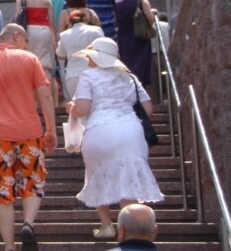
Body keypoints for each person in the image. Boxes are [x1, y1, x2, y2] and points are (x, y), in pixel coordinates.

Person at [0, 23, 57, 251]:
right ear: (16, 36)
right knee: (33, 180)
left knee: (2, 190)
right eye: (26, 40)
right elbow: (45, 95)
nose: (27, 45)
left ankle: (9, 246)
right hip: (30, 131)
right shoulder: (30, 59)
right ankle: (28, 223)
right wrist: (51, 130)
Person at [67, 37, 163, 239]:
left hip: (99, 130)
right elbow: (148, 108)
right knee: (128, 176)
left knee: (97, 173)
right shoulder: (129, 77)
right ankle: (132, 228)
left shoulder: (88, 75)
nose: (88, 61)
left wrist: (71, 109)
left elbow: (82, 109)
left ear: (95, 58)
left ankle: (106, 225)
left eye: (90, 57)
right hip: (130, 131)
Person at [15, 0, 58, 106]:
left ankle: (31, 101)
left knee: (27, 64)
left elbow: (17, 18)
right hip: (44, 31)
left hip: (27, 31)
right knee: (45, 66)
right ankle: (46, 98)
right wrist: (54, 40)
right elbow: (51, 23)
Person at [115, 0, 155, 86]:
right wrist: (149, 25)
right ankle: (140, 89)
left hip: (124, 40)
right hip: (140, 38)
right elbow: (150, 17)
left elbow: (116, 22)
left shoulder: (117, 4)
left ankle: (130, 89)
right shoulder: (141, 0)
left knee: (127, 66)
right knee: (141, 67)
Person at [55, 9, 103, 99]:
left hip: (73, 76)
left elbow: (60, 55)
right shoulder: (96, 31)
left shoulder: (64, 35)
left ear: (70, 22)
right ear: (85, 19)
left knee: (77, 103)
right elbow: (102, 49)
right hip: (94, 73)